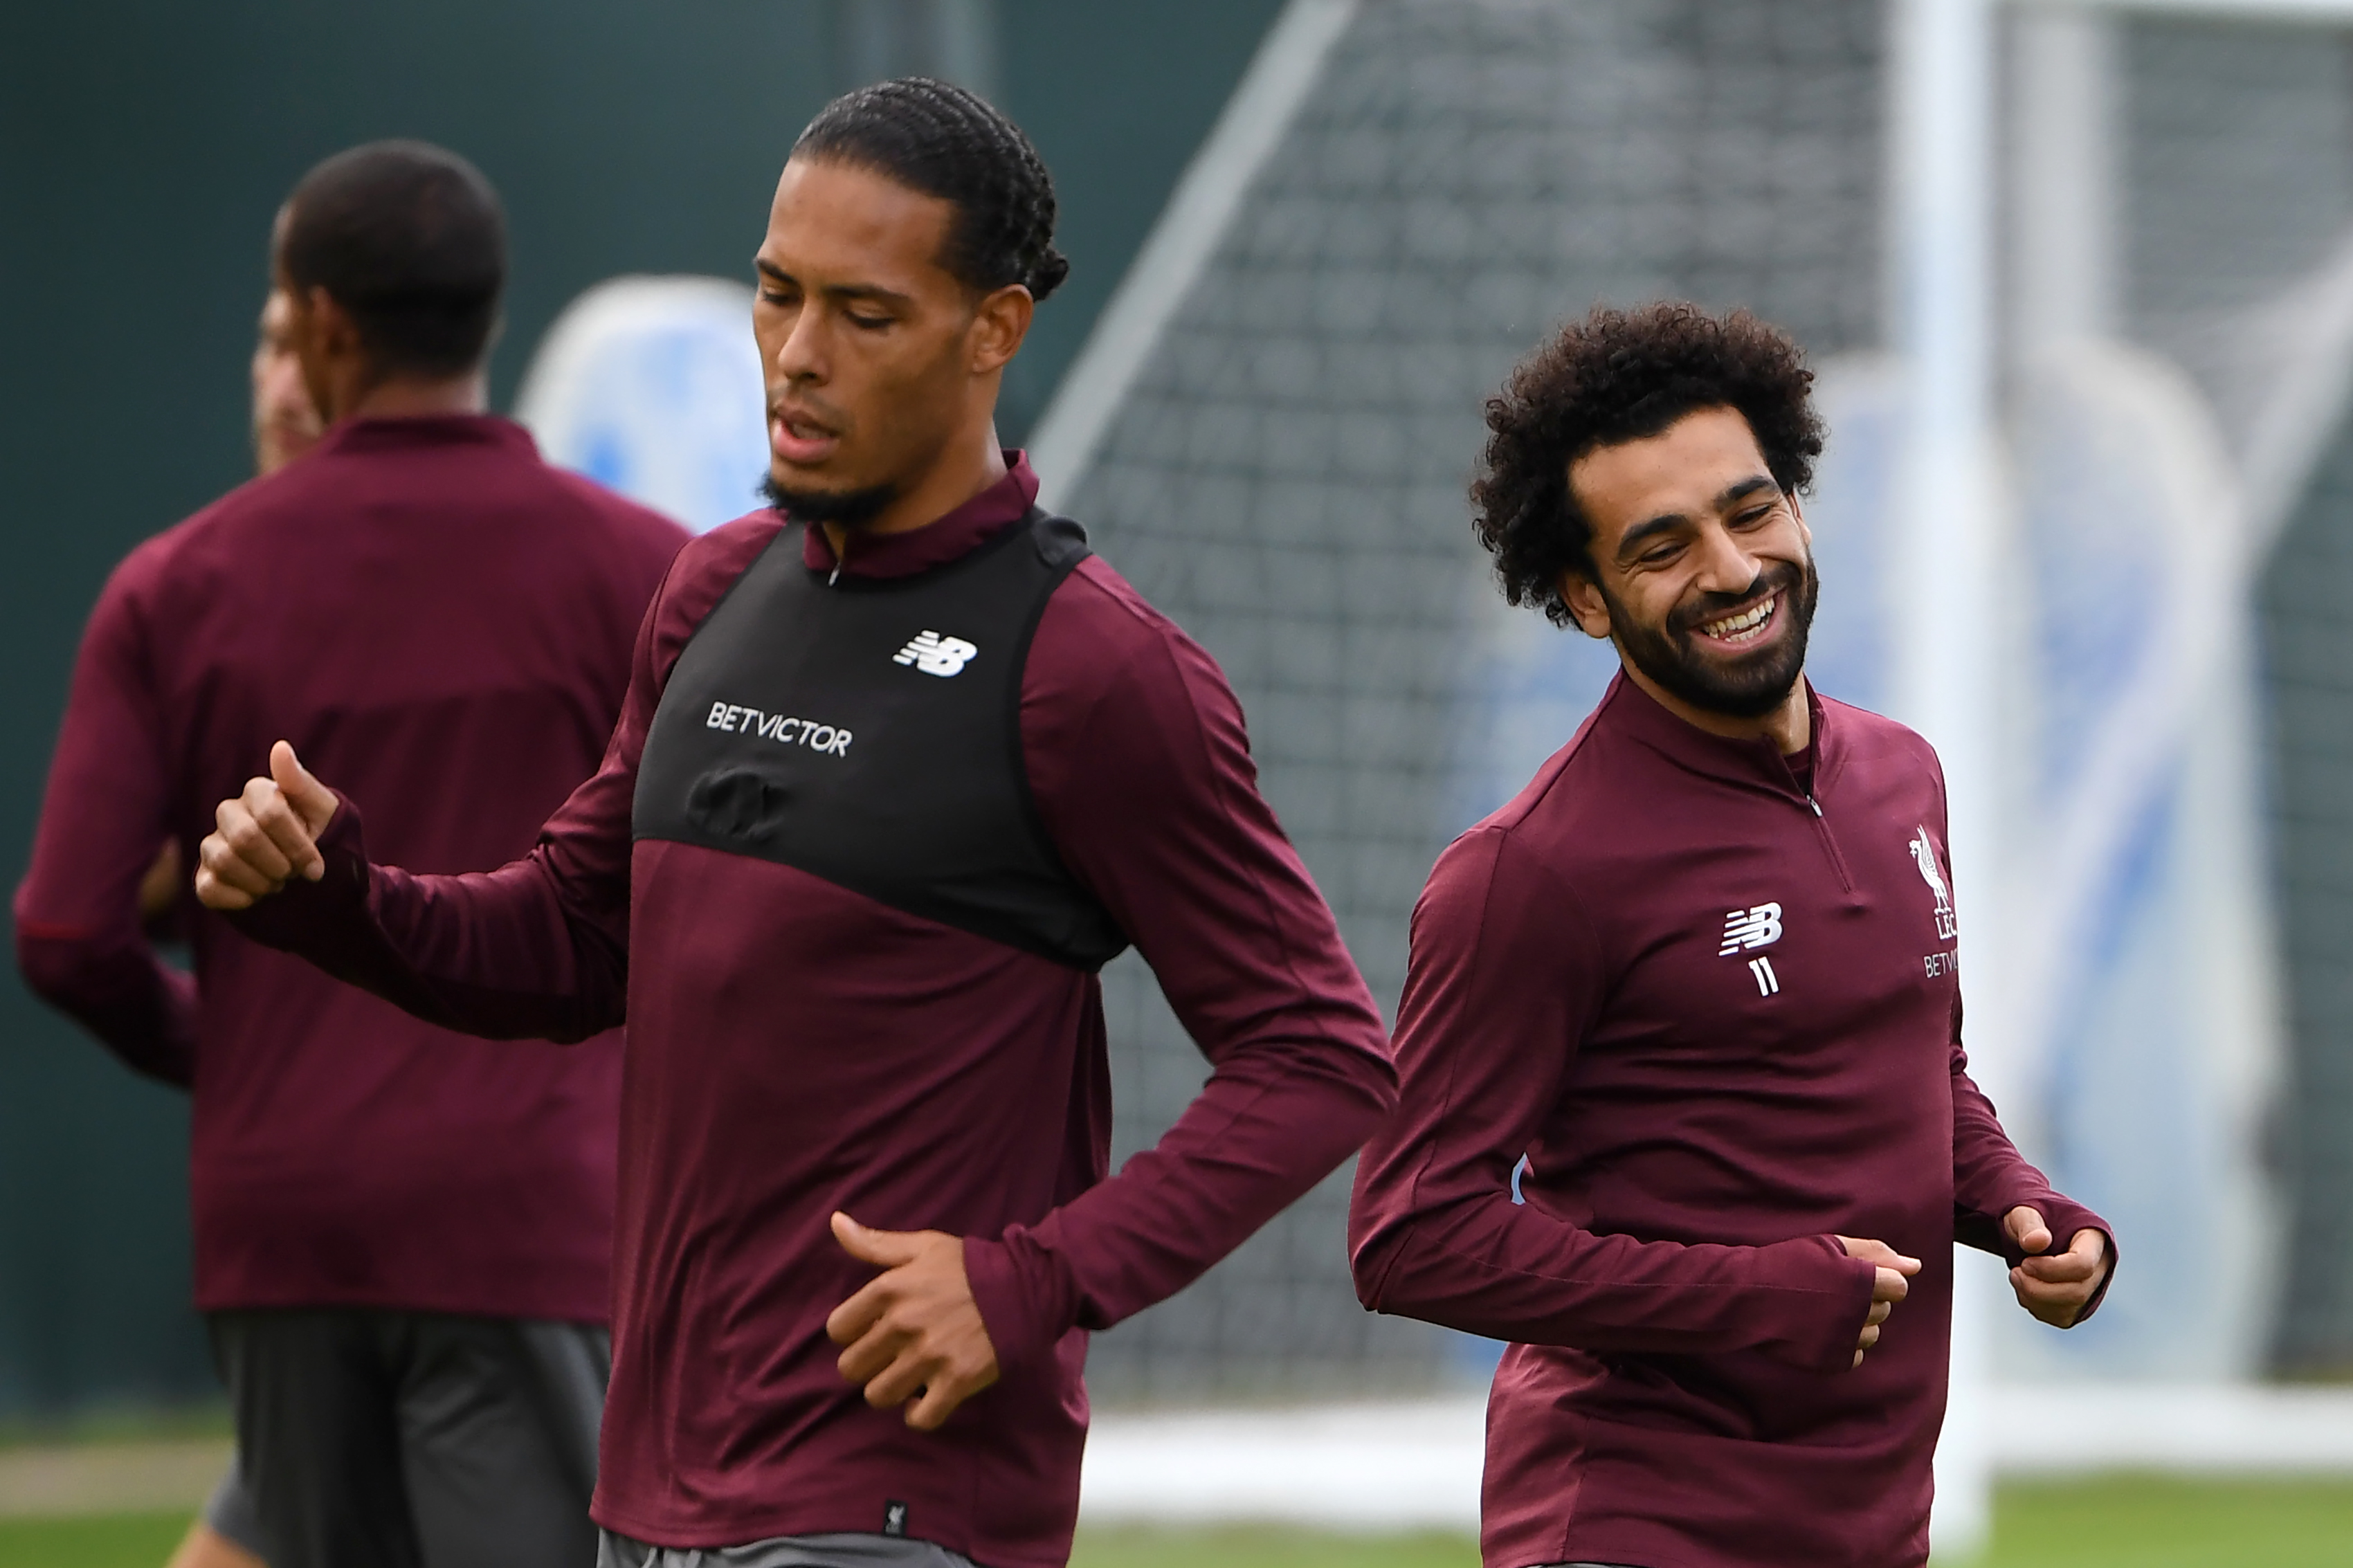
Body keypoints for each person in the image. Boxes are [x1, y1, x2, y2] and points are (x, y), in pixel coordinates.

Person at [190, 79, 1396, 1568]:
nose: (798, 357)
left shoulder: (1091, 667)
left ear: (993, 330)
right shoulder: (710, 592)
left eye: (864, 314)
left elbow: (1319, 1055)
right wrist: (341, 894)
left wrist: (1034, 1279)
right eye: (777, 295)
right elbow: (571, 939)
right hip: (654, 1497)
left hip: (889, 1510)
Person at [1346, 302, 2116, 1568]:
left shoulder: (1904, 773)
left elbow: (1917, 1071)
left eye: (1750, 511)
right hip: (1633, 1524)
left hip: (1872, 1529)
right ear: (1587, 599)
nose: (1730, 567)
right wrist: (1751, 1297)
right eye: (1662, 547)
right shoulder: (1528, 872)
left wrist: (2027, 1209)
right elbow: (1412, 1233)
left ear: (1799, 509)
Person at [15, 140, 688, 1568]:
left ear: (320, 323)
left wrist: (240, 1047)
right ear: (489, 318)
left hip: (284, 1225)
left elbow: (68, 933)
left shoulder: (172, 587)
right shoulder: (644, 571)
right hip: (525, 1213)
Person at [156, 285, 327, 1568]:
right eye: (265, 344)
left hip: (521, 1259)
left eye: (314, 346)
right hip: (318, 1256)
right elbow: (80, 917)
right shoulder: (205, 598)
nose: (285, 381)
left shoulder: (537, 583)